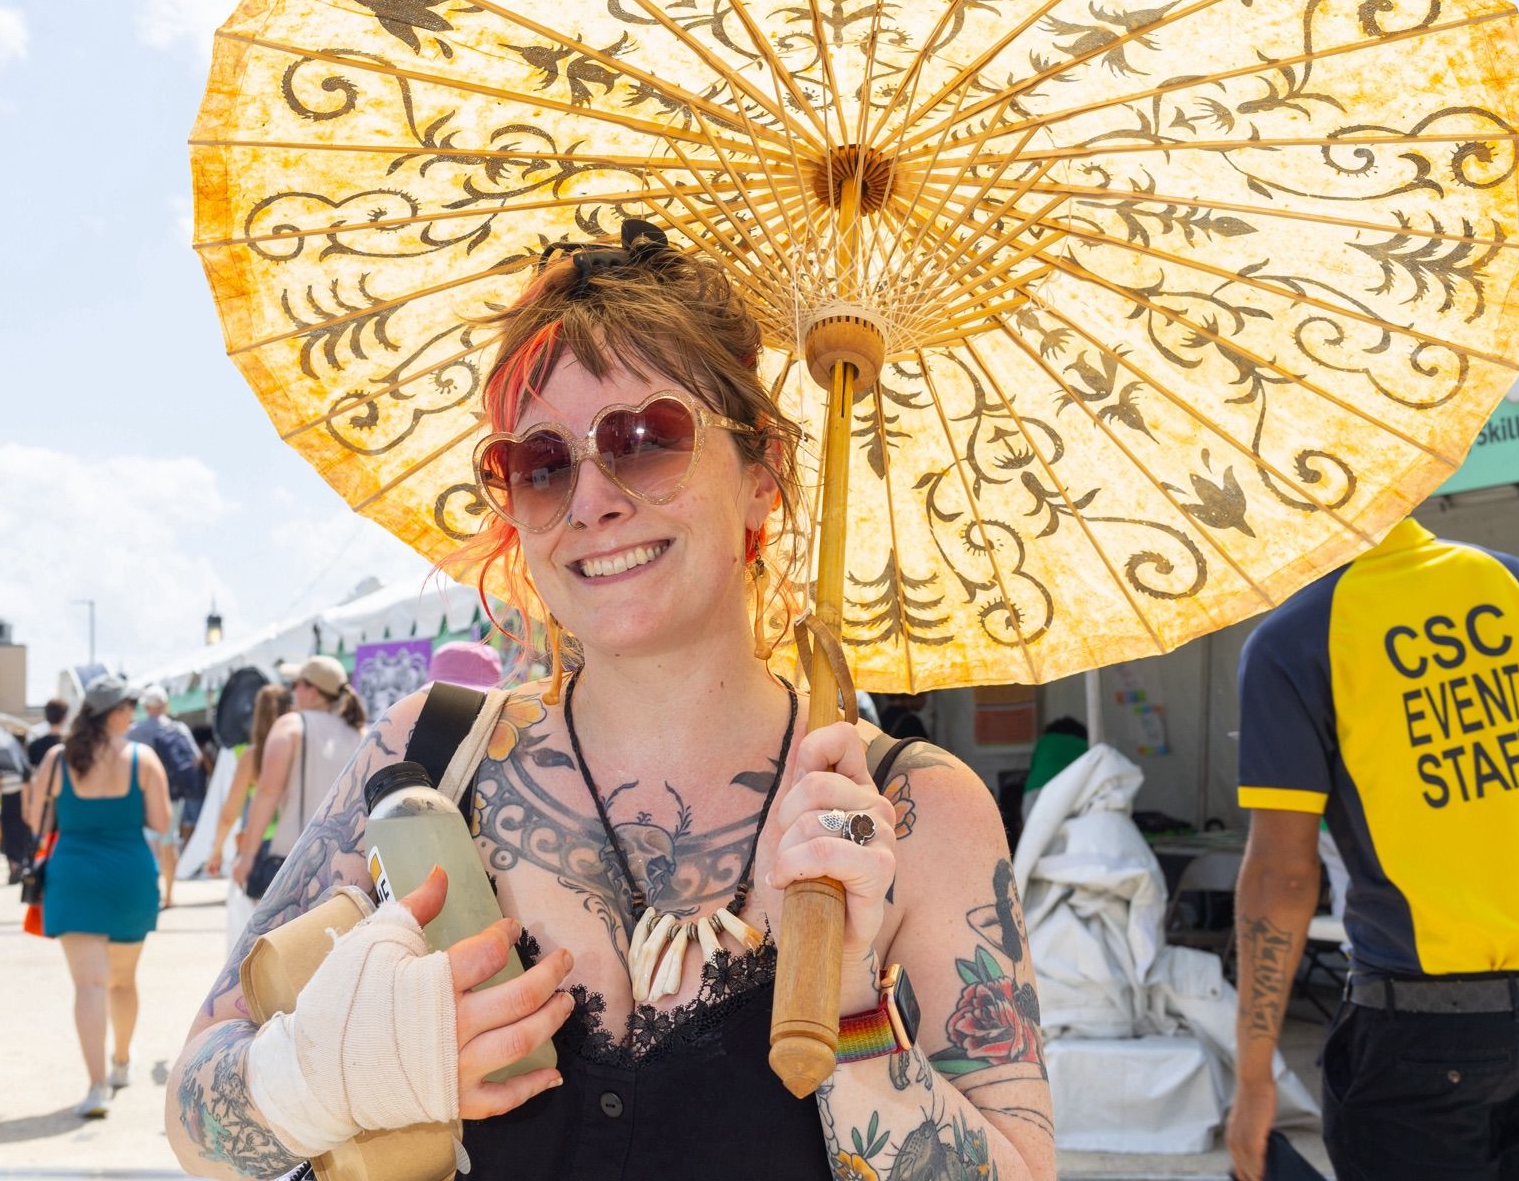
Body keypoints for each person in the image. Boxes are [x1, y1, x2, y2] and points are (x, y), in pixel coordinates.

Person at [167, 227, 1055, 1181]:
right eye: (541, 463)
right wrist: (336, 1072)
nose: (591, 499)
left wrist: (849, 1008)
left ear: (765, 479)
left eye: (648, 438)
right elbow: (192, 1115)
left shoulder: (918, 815)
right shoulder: (426, 755)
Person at [1226, 519, 1519, 1181]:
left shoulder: (1291, 641)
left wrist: (1253, 1079)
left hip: (1415, 1028)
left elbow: (1281, 876)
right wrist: (1498, 810)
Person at [25, 674, 170, 1119]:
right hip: (128, 875)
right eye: (127, 706)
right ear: (115, 712)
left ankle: (96, 1087)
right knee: (122, 982)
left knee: (87, 985)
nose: (131, 713)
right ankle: (122, 1062)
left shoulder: (56, 758)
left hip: (73, 876)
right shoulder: (142, 759)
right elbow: (162, 823)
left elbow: (35, 820)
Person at [228, 654, 365, 894]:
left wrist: (248, 855)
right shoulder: (359, 733)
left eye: (296, 685)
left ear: (312, 691)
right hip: (348, 861)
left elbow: (268, 792)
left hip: (295, 858)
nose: (293, 692)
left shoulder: (291, 725)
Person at [204, 683, 287, 947]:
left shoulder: (251, 756)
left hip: (261, 847)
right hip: (299, 841)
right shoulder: (301, 749)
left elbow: (230, 812)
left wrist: (216, 850)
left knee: (258, 933)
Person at [133, 686, 204, 910]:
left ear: (146, 707)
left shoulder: (135, 730)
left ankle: (150, 892)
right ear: (165, 705)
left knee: (147, 843)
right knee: (169, 842)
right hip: (173, 794)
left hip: (143, 794)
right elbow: (196, 758)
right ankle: (170, 894)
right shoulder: (178, 728)